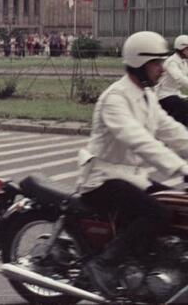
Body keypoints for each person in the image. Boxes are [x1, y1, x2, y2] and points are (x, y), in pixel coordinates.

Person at [77, 31, 188, 296]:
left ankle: (149, 262)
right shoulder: (115, 98)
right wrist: (182, 168)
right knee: (155, 213)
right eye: (156, 63)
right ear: (139, 63)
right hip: (102, 178)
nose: (162, 69)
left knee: (174, 205)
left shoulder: (147, 96)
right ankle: (104, 264)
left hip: (132, 175)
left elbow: (172, 130)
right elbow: (138, 140)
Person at [156, 34, 188, 125]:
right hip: (163, 95)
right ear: (181, 49)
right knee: (182, 107)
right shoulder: (171, 62)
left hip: (175, 94)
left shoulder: (184, 62)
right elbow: (179, 78)